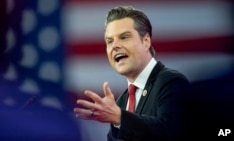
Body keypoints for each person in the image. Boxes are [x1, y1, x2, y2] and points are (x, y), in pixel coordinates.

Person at [74, 6, 189, 141]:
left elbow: (171, 131)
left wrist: (120, 118)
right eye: (109, 41)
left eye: (124, 37)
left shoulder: (171, 82)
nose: (115, 45)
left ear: (146, 42)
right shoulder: (121, 102)